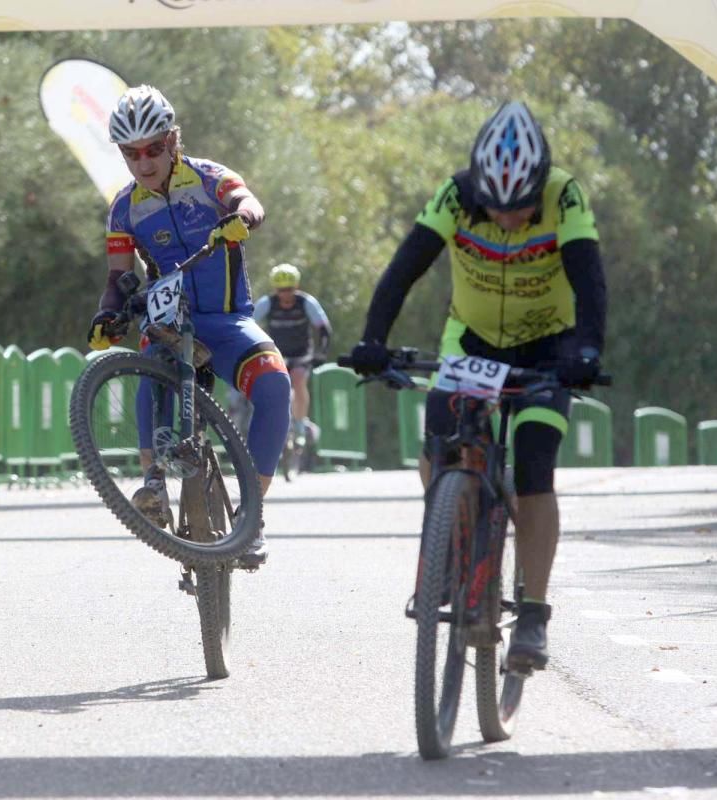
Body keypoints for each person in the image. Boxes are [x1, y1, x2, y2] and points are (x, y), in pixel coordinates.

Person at [346, 101, 607, 671]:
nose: (510, 218)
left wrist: (587, 350)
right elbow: (405, 267)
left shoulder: (564, 195)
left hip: (549, 345)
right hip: (472, 342)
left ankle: (533, 614)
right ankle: (452, 539)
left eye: (521, 208)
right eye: (496, 207)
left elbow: (589, 277)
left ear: (541, 186)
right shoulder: (455, 194)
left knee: (536, 467)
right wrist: (372, 339)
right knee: (439, 438)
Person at [87, 85, 291, 568]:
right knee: (148, 365)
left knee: (276, 384)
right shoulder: (123, 208)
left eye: (154, 148)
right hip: (169, 322)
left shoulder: (208, 178)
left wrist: (242, 217)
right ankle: (153, 482)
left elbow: (248, 200)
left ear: (173, 140)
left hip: (225, 321)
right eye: (131, 153)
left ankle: (253, 515)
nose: (144, 161)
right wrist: (105, 314)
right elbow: (118, 277)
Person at [253, 263, 333, 447]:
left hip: (301, 354)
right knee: (273, 387)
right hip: (276, 354)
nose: (285, 294)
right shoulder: (266, 303)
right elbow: (249, 325)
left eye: (289, 289)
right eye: (281, 290)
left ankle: (299, 424)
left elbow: (324, 329)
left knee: (298, 379)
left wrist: (322, 353)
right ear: (275, 289)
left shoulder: (306, 302)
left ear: (296, 287)